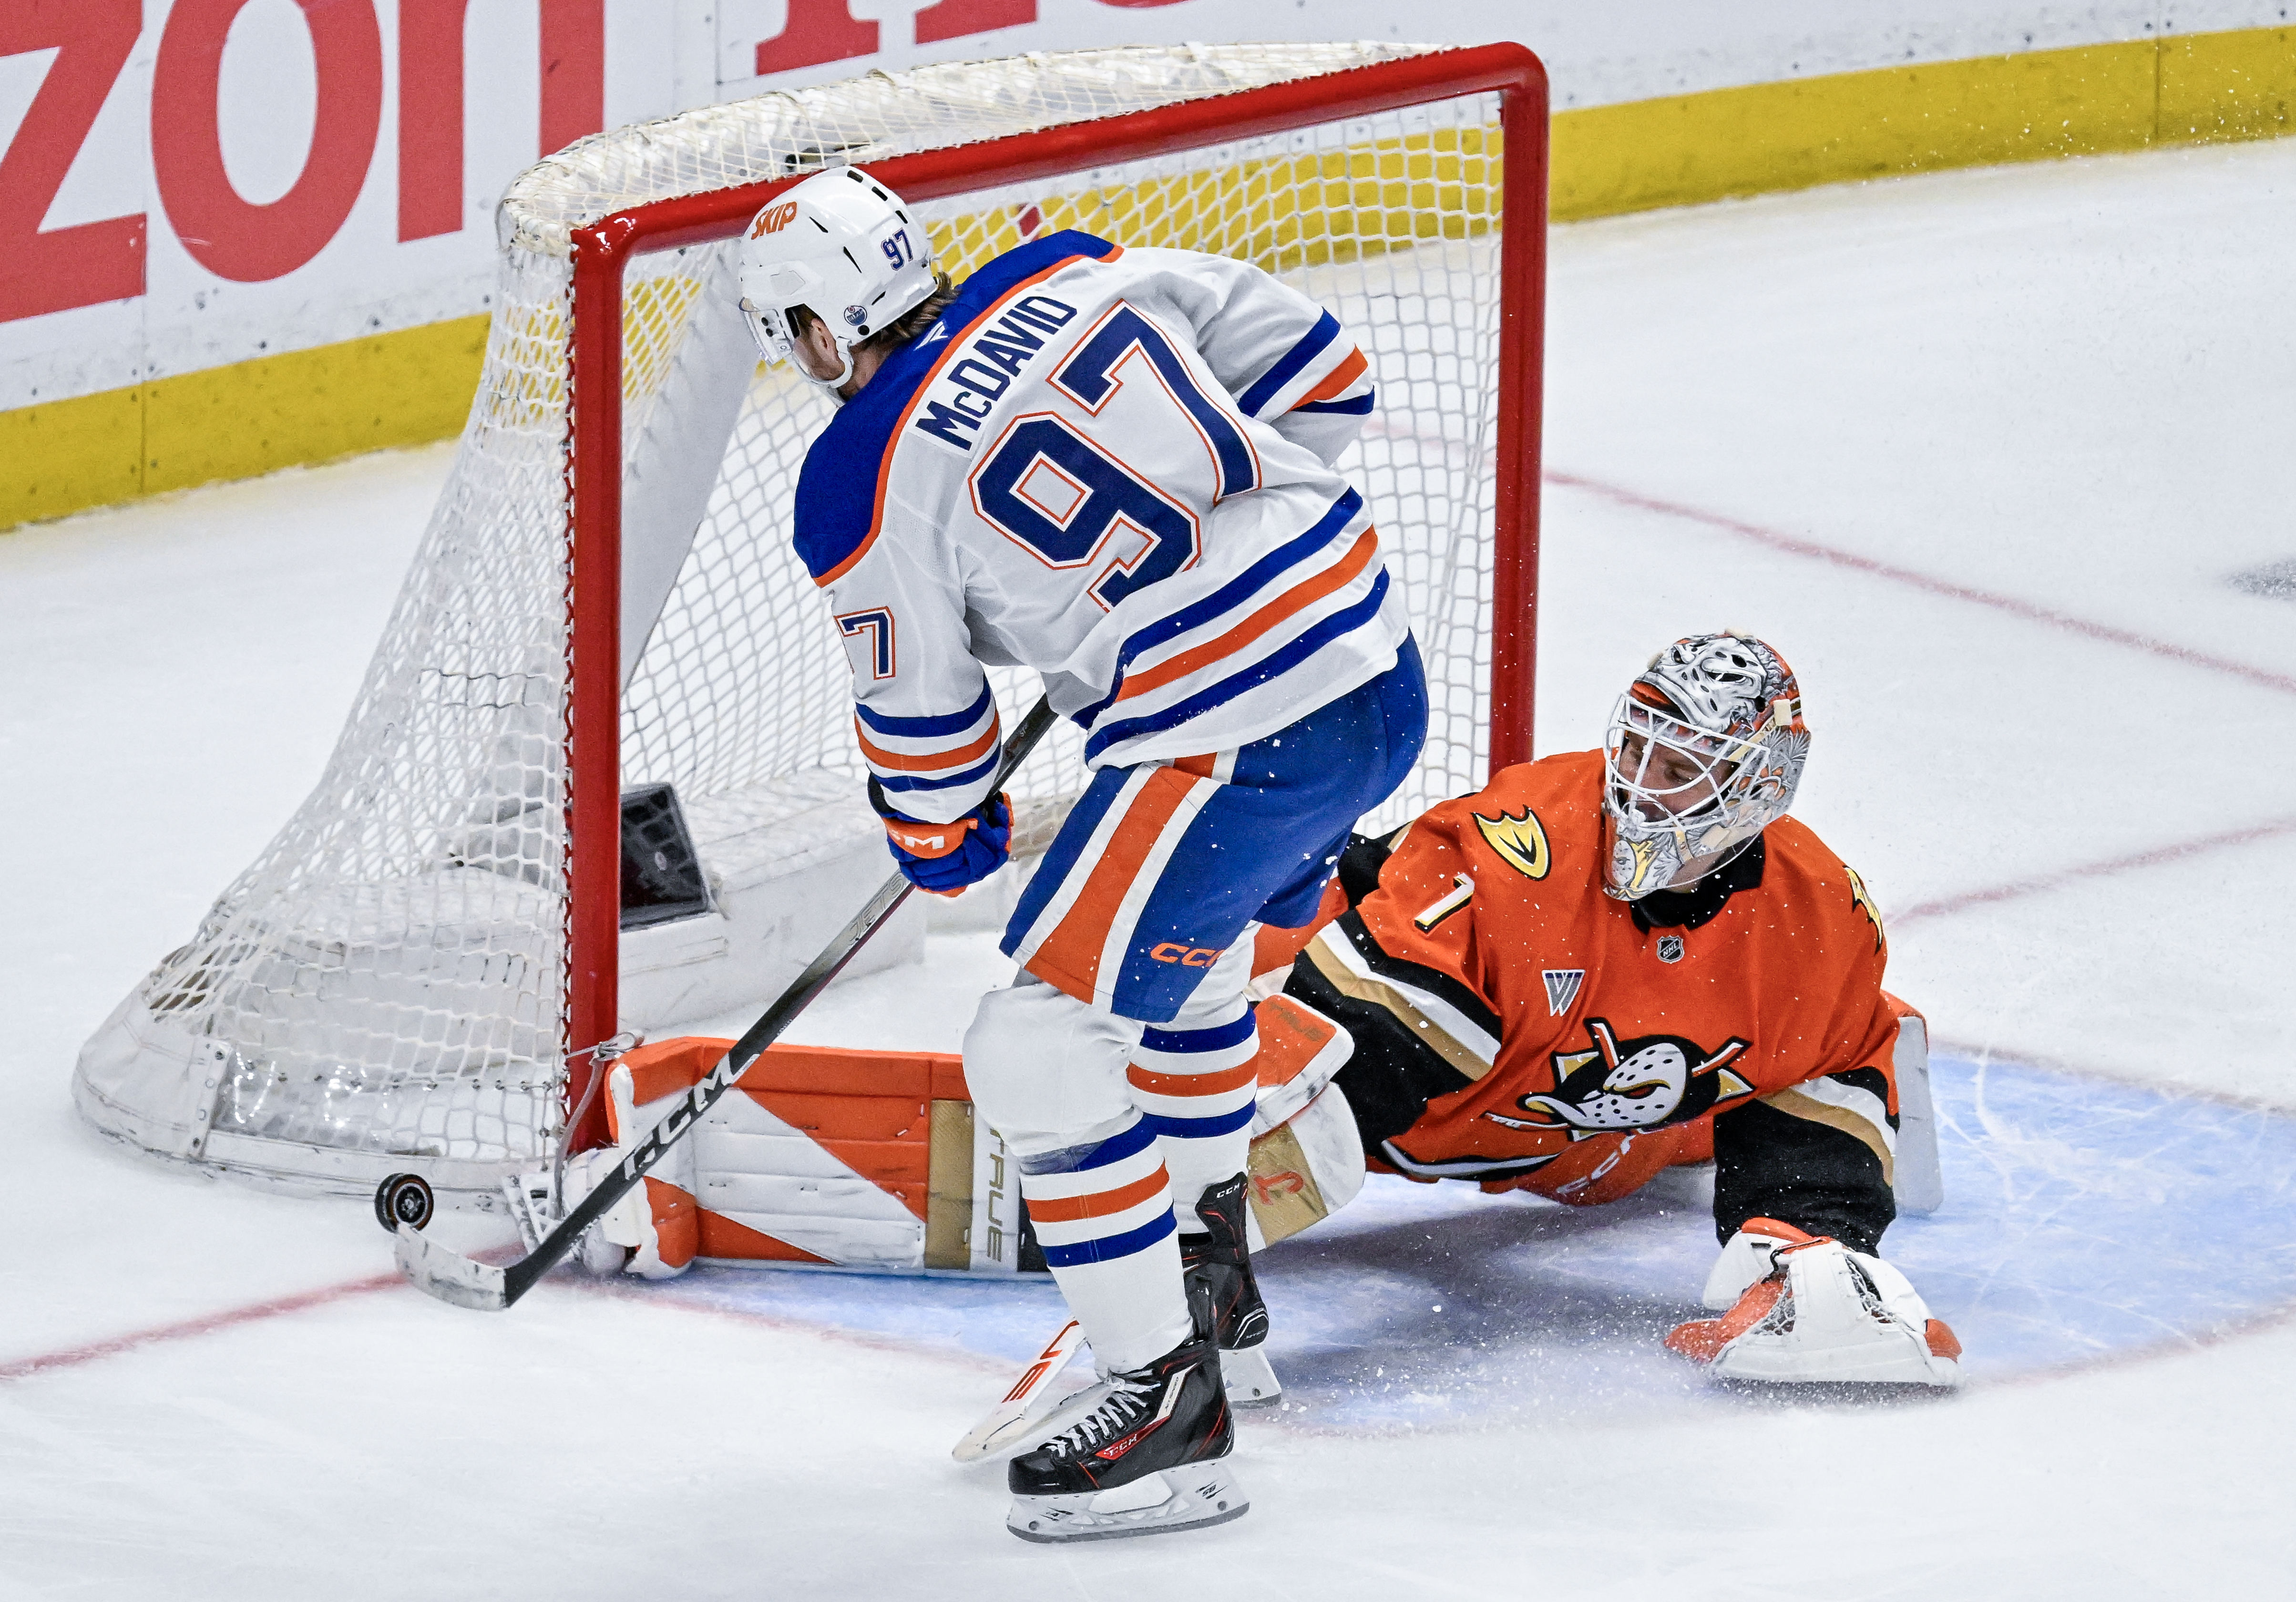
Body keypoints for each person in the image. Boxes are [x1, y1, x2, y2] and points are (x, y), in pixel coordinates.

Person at [736, 165, 1426, 1540]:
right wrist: (1173, 555)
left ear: (818, 333)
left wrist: (950, 834)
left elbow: (930, 746)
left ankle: (1163, 1402)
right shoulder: (1074, 267)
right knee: (1191, 959)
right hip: (1376, 673)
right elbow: (1330, 380)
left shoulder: (857, 474)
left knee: (1038, 1049)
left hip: (1235, 734)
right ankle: (1214, 1300)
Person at [1272, 632, 1965, 1387]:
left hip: (1568, 1140)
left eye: (1675, 769)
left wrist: (1807, 1253)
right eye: (1633, 749)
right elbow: (1347, 1059)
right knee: (1187, 1013)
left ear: (1757, 790)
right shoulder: (1520, 845)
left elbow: (1820, 1064)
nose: (1635, 786)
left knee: (1800, 1052)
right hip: (1342, 1019)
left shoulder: (1817, 917)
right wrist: (1204, 1214)